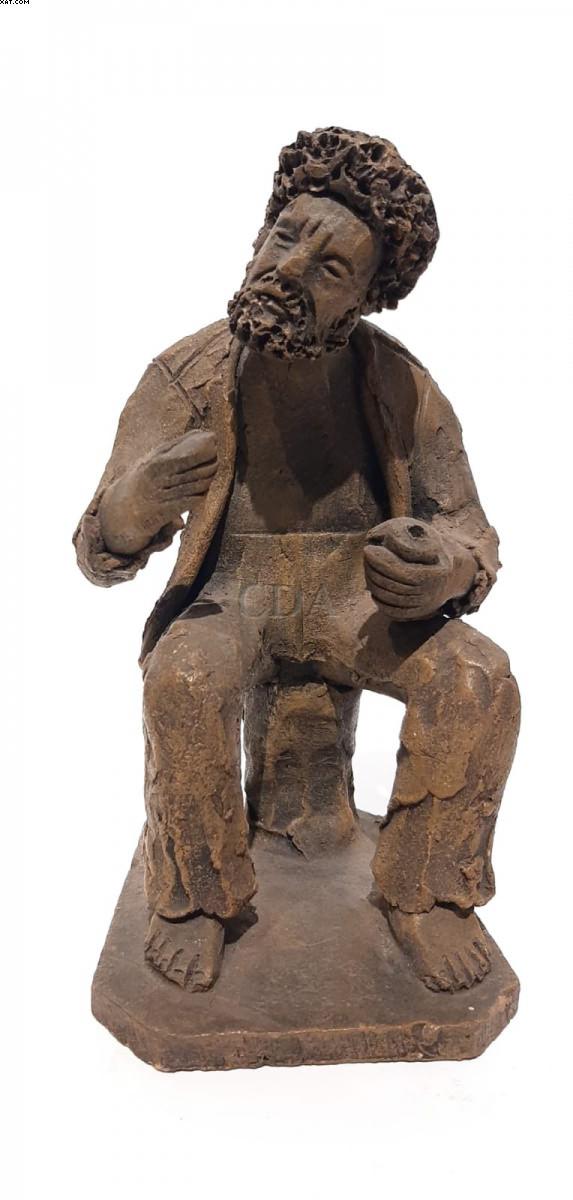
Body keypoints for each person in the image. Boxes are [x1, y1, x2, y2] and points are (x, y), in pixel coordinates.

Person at [74, 128, 520, 994]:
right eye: (284, 238)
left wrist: (441, 570)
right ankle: (198, 901)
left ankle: (425, 894)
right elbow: (98, 549)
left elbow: (468, 532)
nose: (287, 269)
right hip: (230, 593)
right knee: (185, 683)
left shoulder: (398, 386)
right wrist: (140, 500)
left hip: (357, 600)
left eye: (329, 268)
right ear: (258, 233)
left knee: (476, 679)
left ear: (365, 297)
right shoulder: (185, 376)